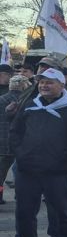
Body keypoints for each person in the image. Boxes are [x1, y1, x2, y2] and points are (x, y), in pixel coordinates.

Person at [4, 68, 67, 237]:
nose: (43, 85)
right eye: (41, 82)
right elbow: (15, 131)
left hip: (56, 172)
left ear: (61, 85)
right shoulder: (31, 105)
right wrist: (21, 154)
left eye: (49, 82)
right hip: (27, 170)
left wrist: (60, 158)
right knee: (24, 212)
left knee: (63, 213)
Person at [0, 75, 30, 204]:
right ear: (23, 86)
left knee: (1, 174)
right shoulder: (27, 101)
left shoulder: (1, 99)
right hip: (23, 142)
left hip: (2, 142)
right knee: (23, 171)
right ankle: (21, 195)